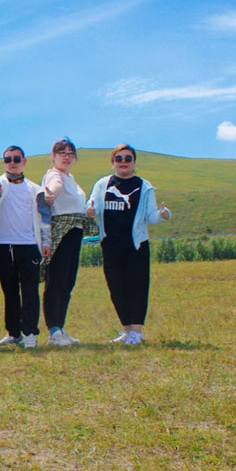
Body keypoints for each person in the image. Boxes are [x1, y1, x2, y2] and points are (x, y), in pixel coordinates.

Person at [87, 144, 171, 345]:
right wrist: (89, 211)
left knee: (137, 287)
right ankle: (126, 331)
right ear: (112, 162)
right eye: (119, 158)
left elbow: (150, 216)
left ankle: (137, 331)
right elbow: (92, 206)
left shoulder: (144, 186)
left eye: (127, 158)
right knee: (116, 287)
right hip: (110, 245)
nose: (123, 162)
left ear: (134, 162)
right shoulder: (102, 184)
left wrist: (162, 215)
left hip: (136, 246)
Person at [0, 145, 51, 349]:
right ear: (4, 162)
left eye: (16, 159)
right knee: (9, 291)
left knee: (29, 291)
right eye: (8, 159)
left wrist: (45, 242)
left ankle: (30, 333)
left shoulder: (36, 189)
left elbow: (45, 217)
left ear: (24, 161)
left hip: (29, 245)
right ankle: (13, 333)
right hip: (4, 246)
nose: (12, 162)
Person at [40, 137, 88, 346]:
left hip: (75, 232)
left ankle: (60, 327)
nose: (67, 157)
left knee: (68, 282)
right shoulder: (54, 175)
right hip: (60, 232)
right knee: (56, 281)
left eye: (70, 154)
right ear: (53, 157)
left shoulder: (71, 178)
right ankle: (53, 331)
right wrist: (49, 195)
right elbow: (53, 188)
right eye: (62, 153)